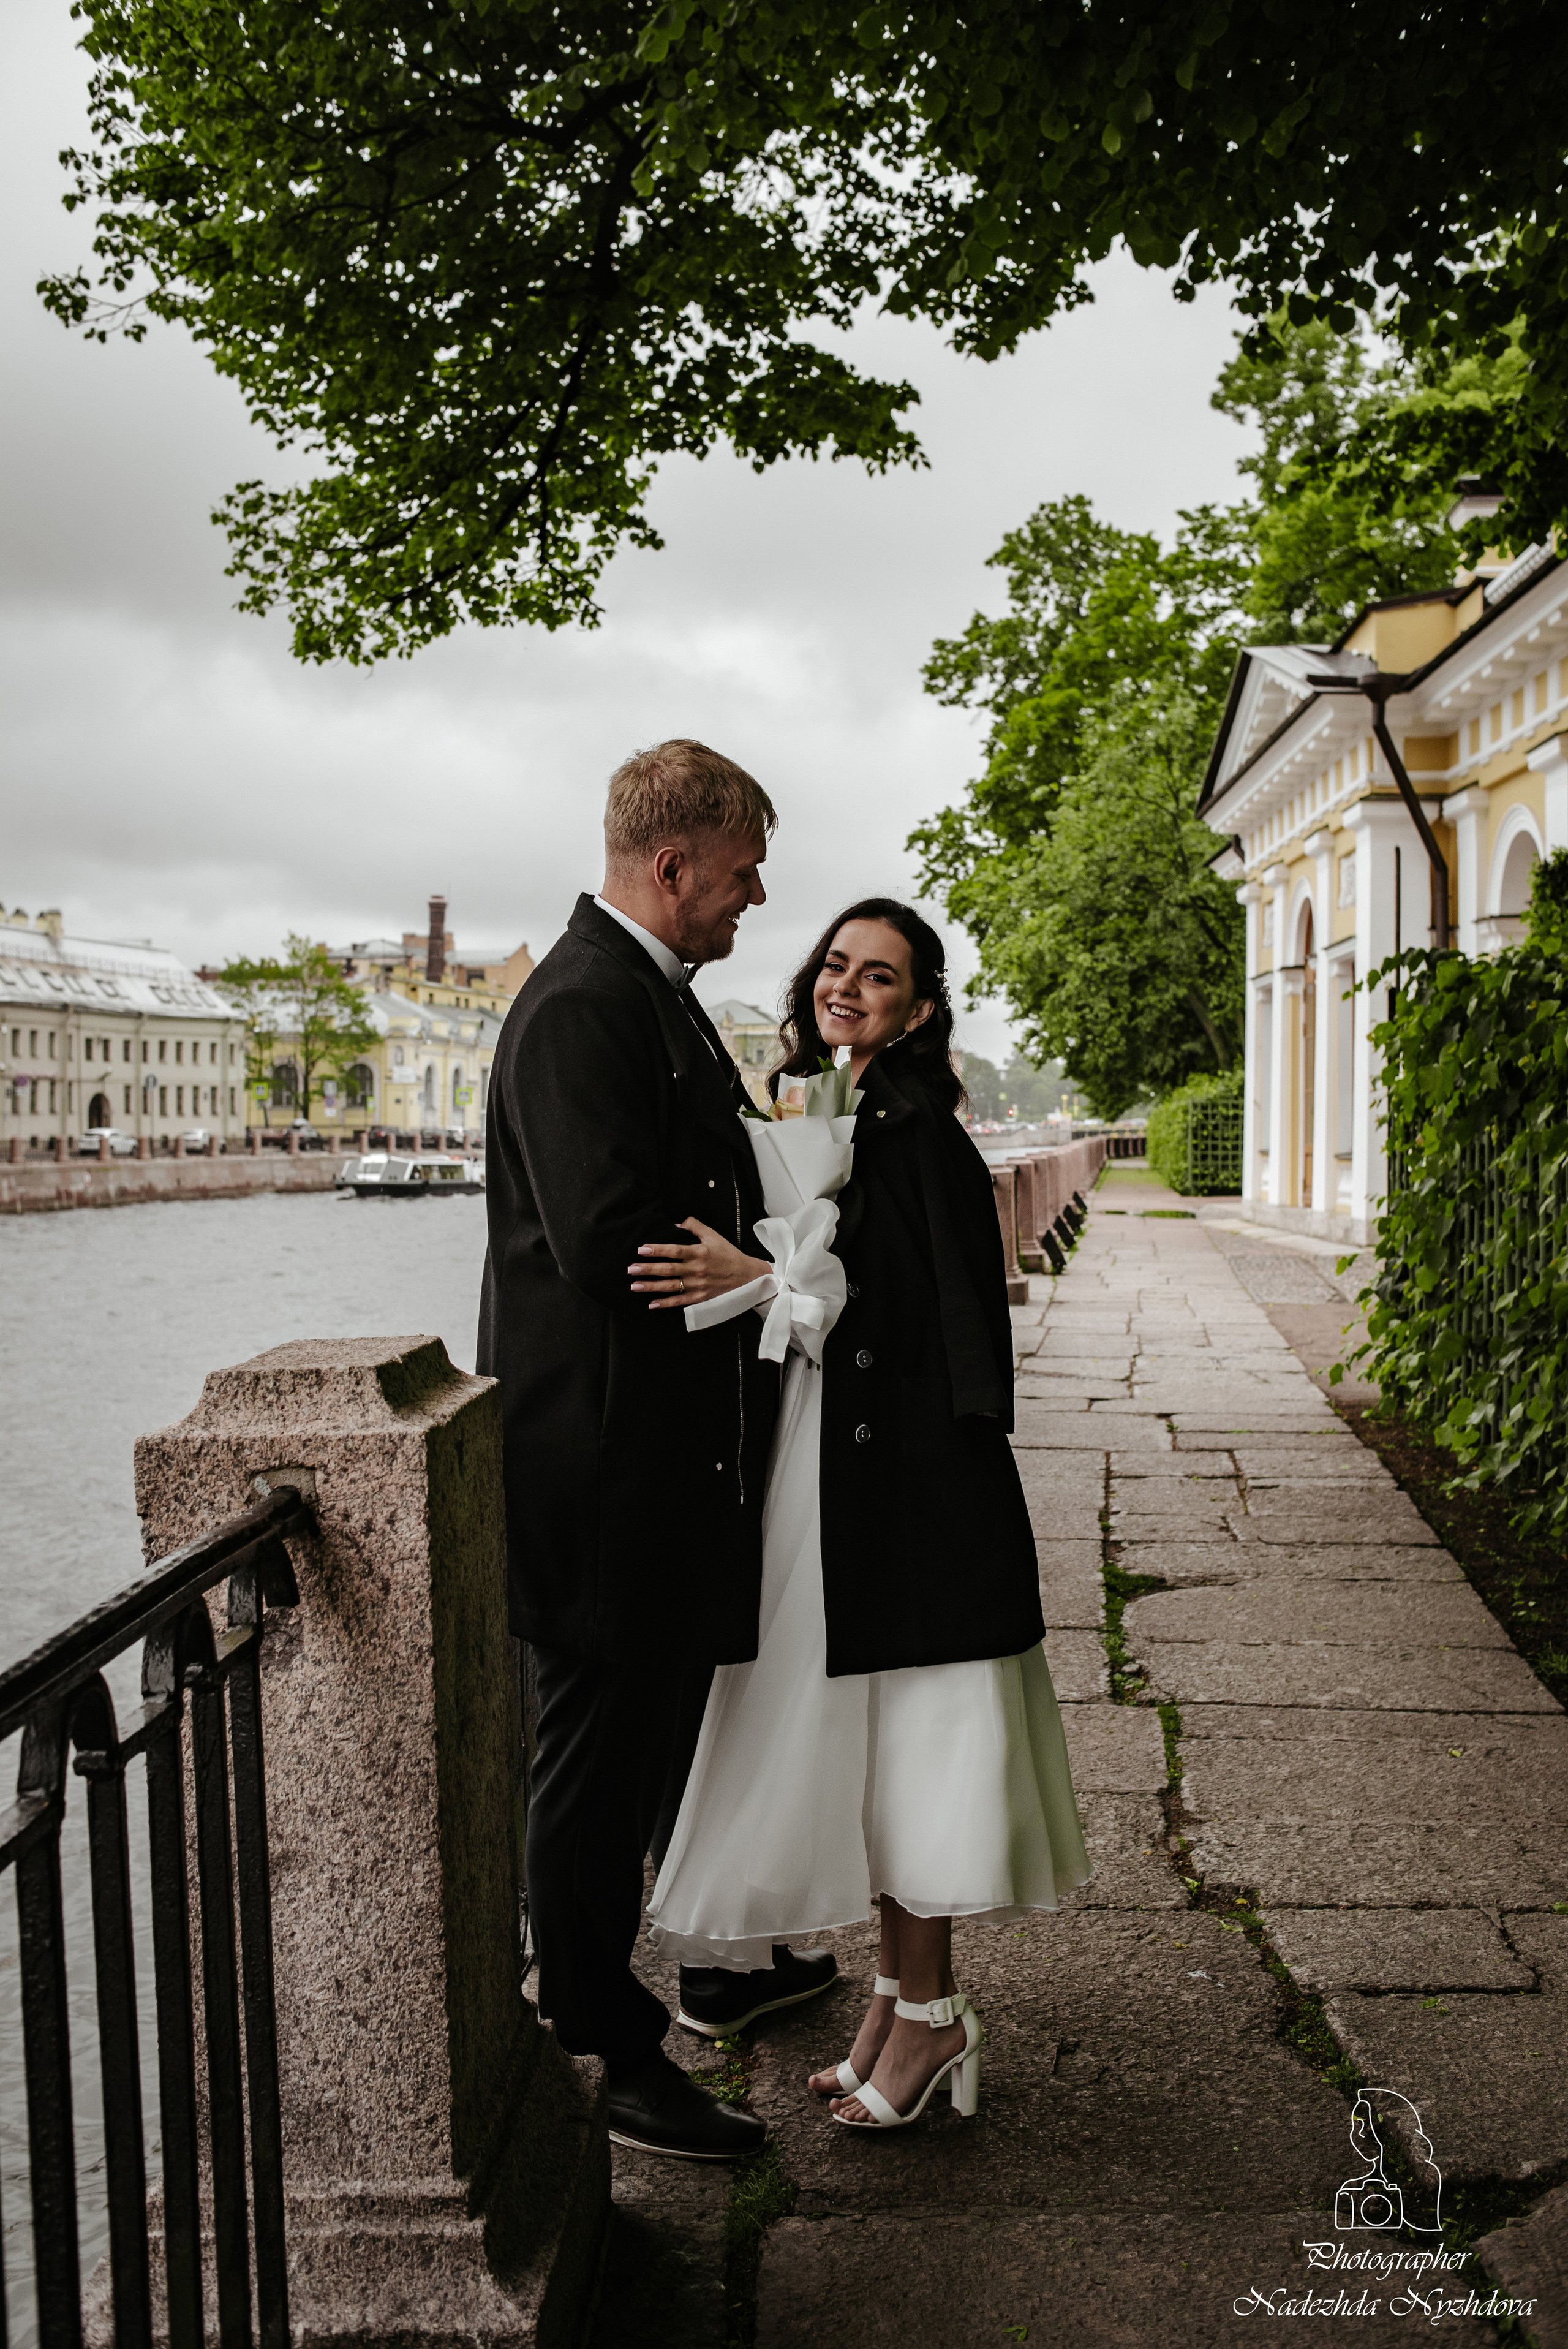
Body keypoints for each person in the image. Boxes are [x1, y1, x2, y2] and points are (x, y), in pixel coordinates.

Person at [635, 899, 1090, 2130]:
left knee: (916, 1753)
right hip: (828, 1474)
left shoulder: (920, 1134)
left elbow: (942, 1329)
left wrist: (759, 1280)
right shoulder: (825, 1110)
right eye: (835, 964)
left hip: (907, 1499)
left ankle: (932, 2024)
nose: (845, 986)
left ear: (918, 1009)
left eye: (877, 976)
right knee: (875, 1756)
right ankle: (893, 2002)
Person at [477, 741, 838, 2163]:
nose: (757, 897)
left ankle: (701, 1967)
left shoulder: (649, 997)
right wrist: (771, 1273)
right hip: (603, 1464)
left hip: (661, 1456)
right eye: (742, 872)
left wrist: (765, 1246)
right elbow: (614, 1241)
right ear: (670, 863)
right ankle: (597, 2038)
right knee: (596, 1762)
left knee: (653, 1747)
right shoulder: (580, 1003)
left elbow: (714, 1203)